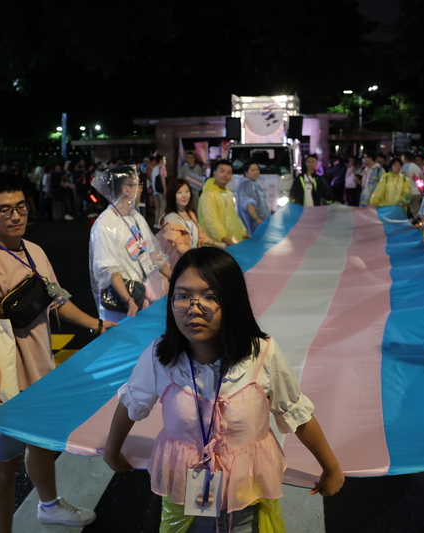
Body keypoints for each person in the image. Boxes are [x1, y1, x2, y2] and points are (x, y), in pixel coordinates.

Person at [103, 247, 345, 532]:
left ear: (232, 302)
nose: (194, 308)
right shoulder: (160, 356)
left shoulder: (262, 354)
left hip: (248, 490)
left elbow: (296, 412)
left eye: (210, 296)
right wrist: (111, 452)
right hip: (185, 488)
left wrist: (332, 469)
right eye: (182, 296)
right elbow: (132, 403)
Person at [0, 173, 114, 533]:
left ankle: (49, 506)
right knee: (4, 466)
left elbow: (56, 301)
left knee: (42, 446)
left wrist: (96, 325)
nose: (15, 215)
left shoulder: (33, 251)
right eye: (4, 209)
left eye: (21, 206)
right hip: (3, 389)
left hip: (42, 375)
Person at [90, 166, 172, 323]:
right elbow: (109, 270)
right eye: (138, 185)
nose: (142, 189)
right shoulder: (105, 224)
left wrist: (176, 279)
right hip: (124, 305)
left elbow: (154, 255)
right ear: (126, 190)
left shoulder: (136, 217)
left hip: (146, 297)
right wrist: (129, 300)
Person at [157, 179, 226, 270]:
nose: (184, 195)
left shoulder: (190, 213)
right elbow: (180, 246)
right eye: (179, 192)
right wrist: (198, 258)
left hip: (191, 263)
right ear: (172, 195)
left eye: (187, 191)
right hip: (179, 265)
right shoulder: (169, 219)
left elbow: (200, 236)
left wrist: (220, 245)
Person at [198, 160, 248, 246]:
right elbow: (210, 219)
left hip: (228, 242)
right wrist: (222, 237)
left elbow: (233, 216)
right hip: (213, 243)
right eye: (222, 171)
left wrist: (242, 233)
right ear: (214, 172)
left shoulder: (228, 193)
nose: (225, 175)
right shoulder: (209, 193)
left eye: (229, 172)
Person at [235, 162, 271, 235]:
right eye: (252, 170)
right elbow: (248, 204)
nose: (255, 172)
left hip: (260, 222)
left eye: (257, 170)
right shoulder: (246, 184)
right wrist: (256, 218)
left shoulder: (253, 183)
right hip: (254, 223)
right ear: (246, 172)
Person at [152, 154, 168, 228]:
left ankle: (155, 223)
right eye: (164, 160)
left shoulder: (154, 169)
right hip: (160, 191)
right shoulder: (162, 168)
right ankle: (160, 223)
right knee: (163, 206)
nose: (165, 161)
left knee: (157, 208)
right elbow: (162, 179)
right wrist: (165, 189)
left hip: (155, 191)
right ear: (161, 160)